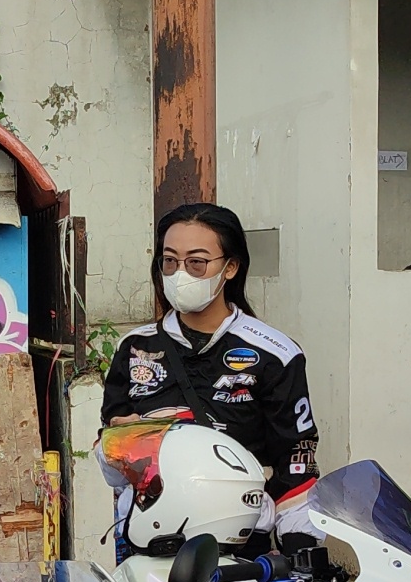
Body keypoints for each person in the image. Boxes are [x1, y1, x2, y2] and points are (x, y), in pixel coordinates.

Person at [100, 203, 320, 550]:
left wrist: (300, 547)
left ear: (230, 267)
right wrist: (125, 442)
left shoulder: (276, 353)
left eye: (196, 262)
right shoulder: (135, 347)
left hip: (238, 543)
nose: (179, 274)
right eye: (170, 261)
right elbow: (111, 463)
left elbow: (295, 461)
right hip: (147, 538)